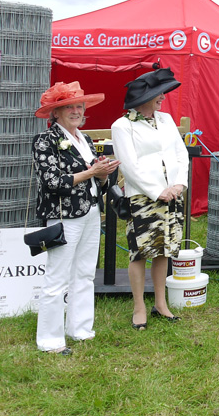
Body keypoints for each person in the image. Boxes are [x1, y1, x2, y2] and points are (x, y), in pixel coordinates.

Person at [32, 82, 120, 355]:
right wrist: (92, 172)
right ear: (55, 112)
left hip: (91, 211)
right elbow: (52, 182)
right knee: (57, 277)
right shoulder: (45, 140)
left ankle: (80, 329)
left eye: (79, 106)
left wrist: (103, 174)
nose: (76, 111)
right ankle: (50, 340)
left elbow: (96, 182)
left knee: (84, 273)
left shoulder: (86, 140)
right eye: (68, 106)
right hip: (63, 216)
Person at [111, 68, 189, 330]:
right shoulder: (122, 126)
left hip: (173, 194)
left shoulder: (166, 119)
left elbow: (181, 154)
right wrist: (158, 191)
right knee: (140, 252)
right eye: (158, 95)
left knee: (164, 249)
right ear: (143, 98)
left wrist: (179, 184)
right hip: (143, 198)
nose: (163, 98)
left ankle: (160, 303)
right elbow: (129, 166)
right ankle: (139, 307)